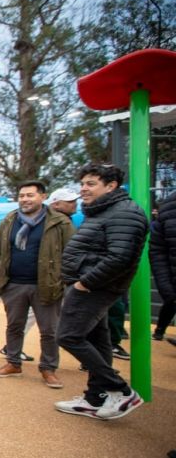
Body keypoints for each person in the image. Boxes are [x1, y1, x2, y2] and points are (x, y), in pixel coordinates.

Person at [53, 164, 147, 420]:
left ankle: (120, 389)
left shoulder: (123, 213)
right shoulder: (103, 212)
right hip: (91, 285)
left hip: (93, 288)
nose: (84, 188)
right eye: (83, 183)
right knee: (97, 339)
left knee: (68, 336)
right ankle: (96, 398)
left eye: (91, 183)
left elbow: (120, 257)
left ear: (111, 185)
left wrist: (85, 283)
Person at [0, 181, 74, 389]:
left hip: (46, 285)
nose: (25, 199)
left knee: (49, 330)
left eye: (30, 195)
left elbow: (72, 254)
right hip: (14, 285)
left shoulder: (60, 223)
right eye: (21, 195)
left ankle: (48, 368)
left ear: (43, 197)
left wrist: (62, 280)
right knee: (15, 326)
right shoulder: (9, 221)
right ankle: (13, 362)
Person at [151, 190, 176, 344]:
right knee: (170, 303)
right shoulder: (168, 206)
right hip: (172, 284)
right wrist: (166, 286)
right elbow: (158, 250)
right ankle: (160, 330)